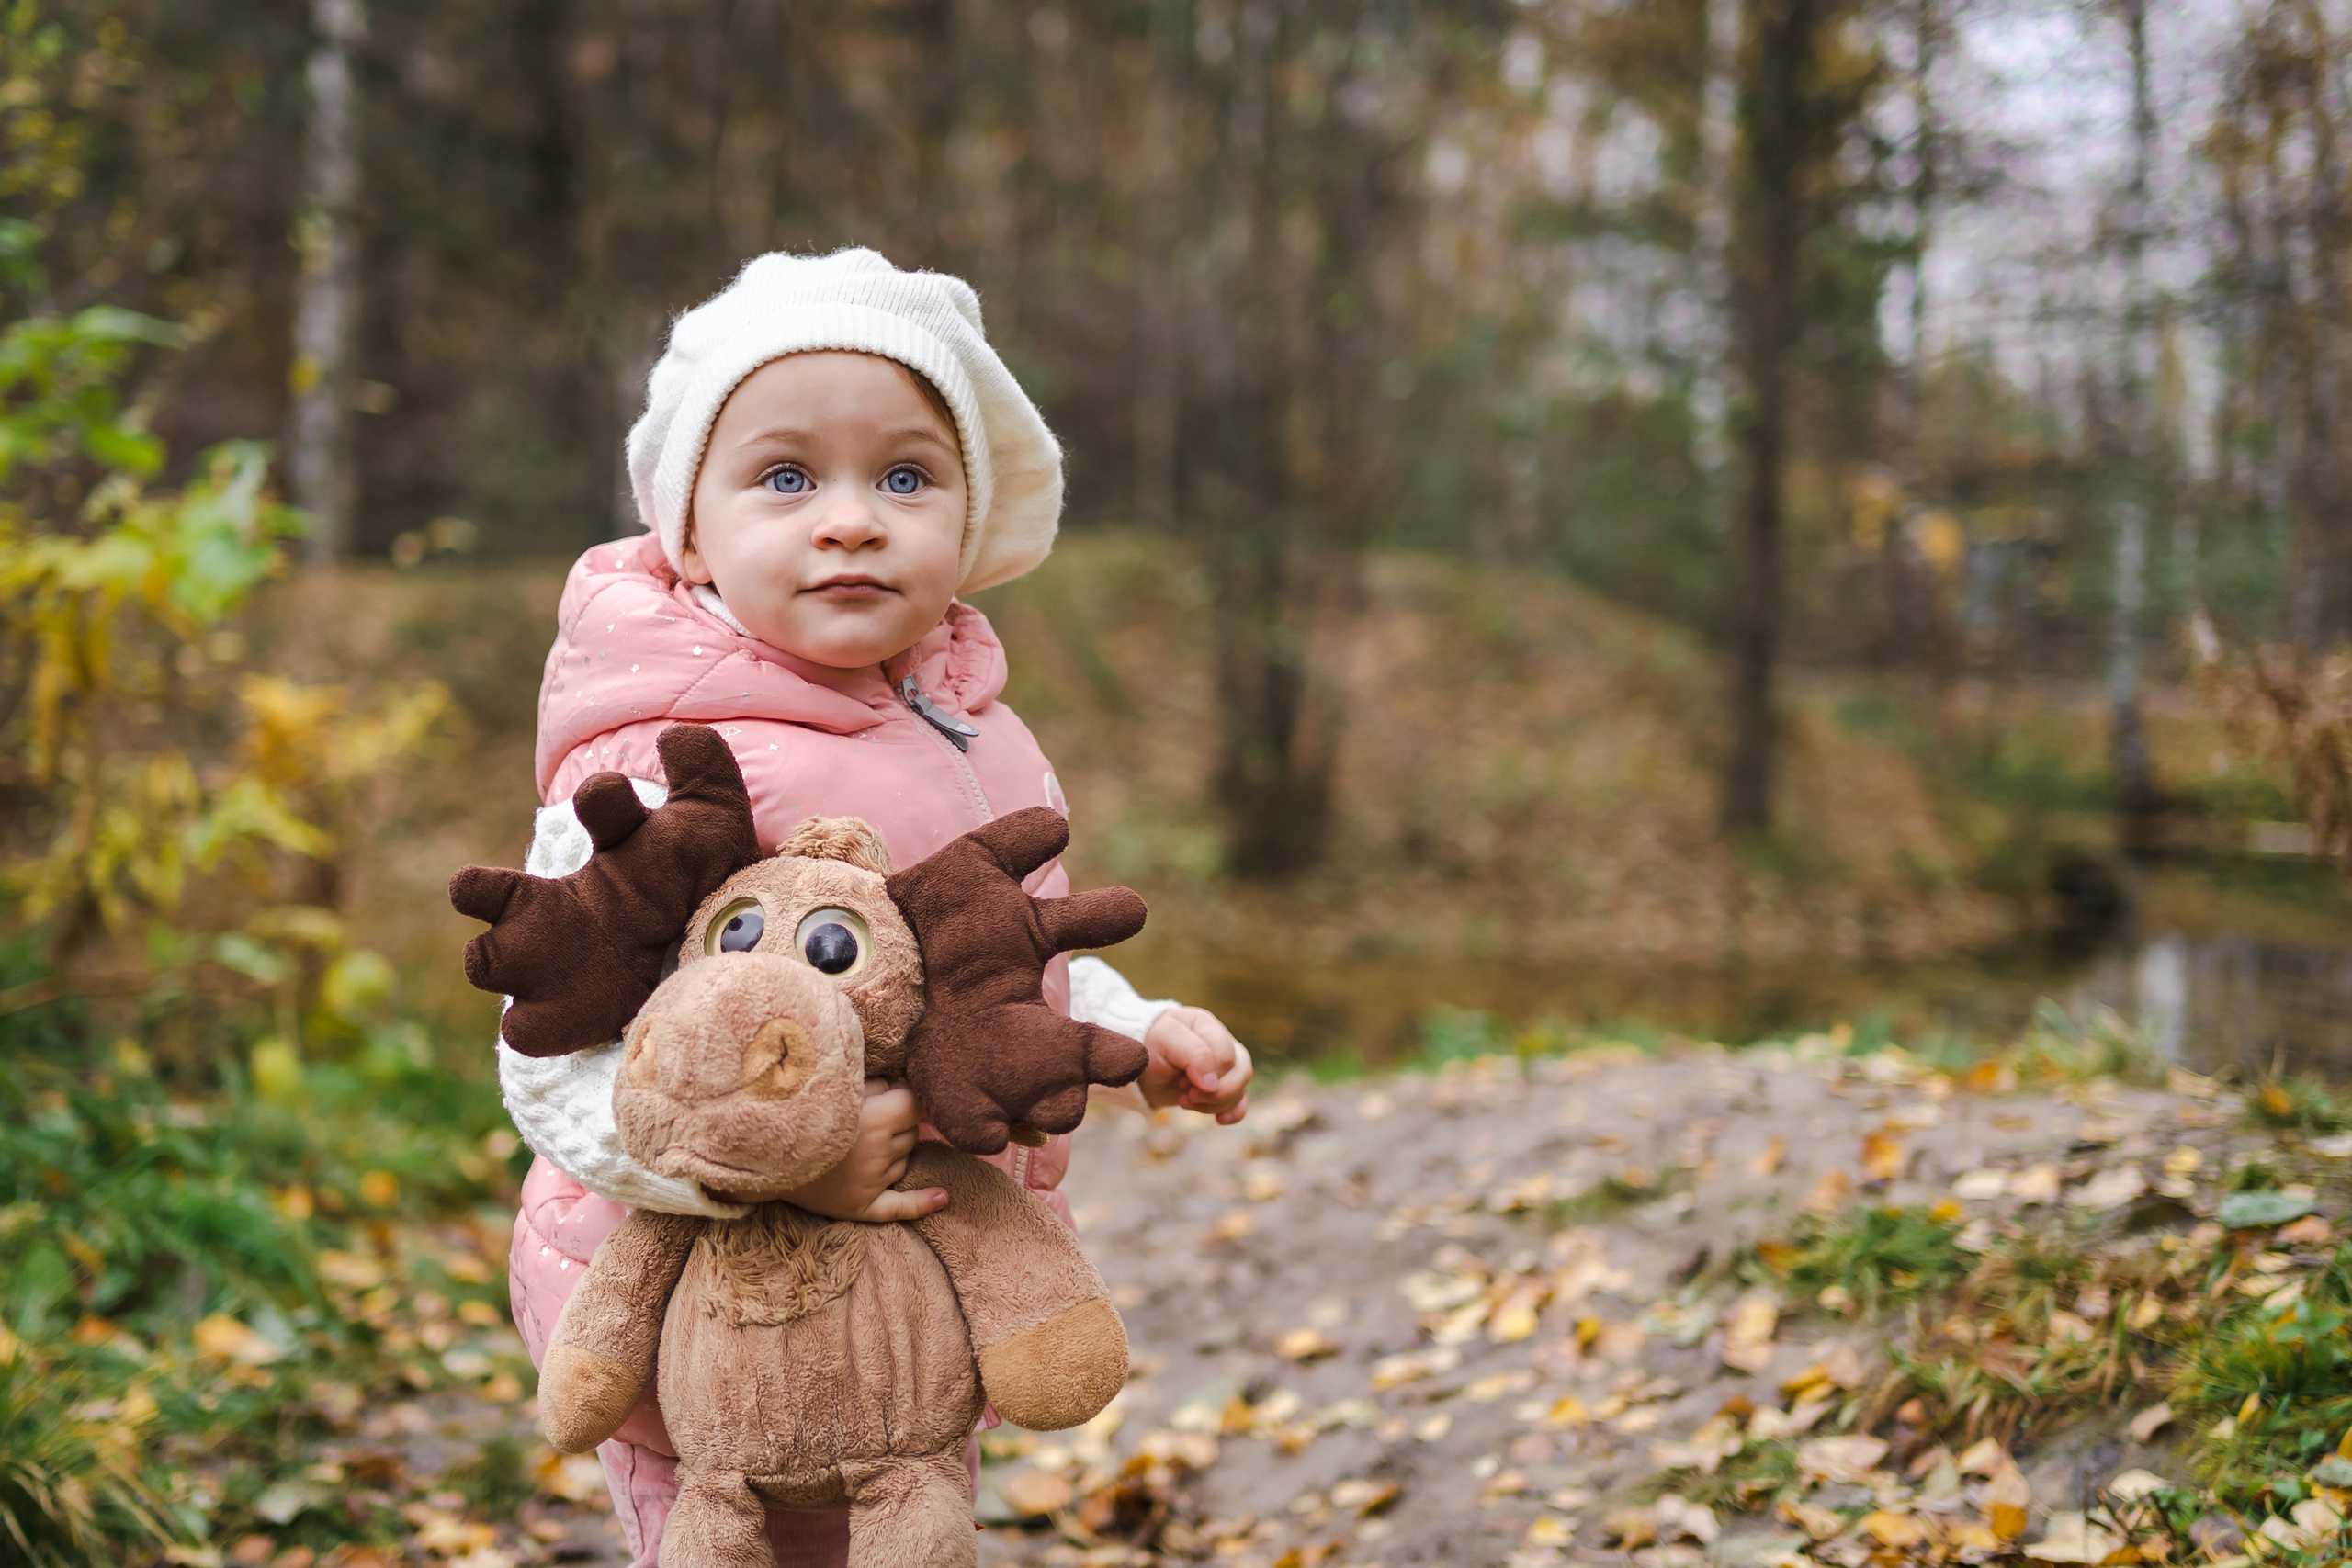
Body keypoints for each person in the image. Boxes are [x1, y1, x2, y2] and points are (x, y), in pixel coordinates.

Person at [498, 248, 1252, 1567]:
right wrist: (775, 1163)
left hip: (920, 1309)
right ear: (688, 529)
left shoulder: (975, 736)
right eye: (787, 477)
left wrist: (1140, 1031)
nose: (851, 519)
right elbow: (550, 1056)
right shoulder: (660, 764)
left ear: (969, 518)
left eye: (906, 477)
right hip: (710, 1324)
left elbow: (990, 965)